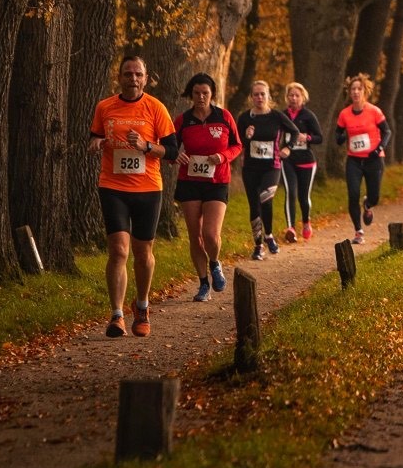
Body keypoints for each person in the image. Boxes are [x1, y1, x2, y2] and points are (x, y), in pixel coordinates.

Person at [88, 53, 177, 338]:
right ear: (120, 77)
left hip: (148, 188)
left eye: (138, 74)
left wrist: (147, 146)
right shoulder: (105, 107)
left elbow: (173, 152)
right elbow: (95, 135)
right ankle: (116, 315)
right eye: (128, 74)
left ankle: (141, 306)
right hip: (113, 186)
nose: (133, 79)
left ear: (146, 78)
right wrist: (97, 142)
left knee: (143, 253)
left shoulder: (156, 108)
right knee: (118, 250)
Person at [172, 73, 241, 302]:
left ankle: (214, 263)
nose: (201, 97)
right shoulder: (183, 120)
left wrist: (223, 156)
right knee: (195, 236)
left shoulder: (224, 117)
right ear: (190, 94)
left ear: (212, 94)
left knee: (210, 235)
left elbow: (237, 145)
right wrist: (176, 156)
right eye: (196, 93)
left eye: (205, 93)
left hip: (217, 182)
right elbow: (169, 147)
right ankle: (203, 284)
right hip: (190, 182)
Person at [236, 81, 298, 261]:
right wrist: (246, 137)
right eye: (256, 94)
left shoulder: (276, 116)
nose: (259, 98)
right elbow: (236, 142)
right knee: (254, 204)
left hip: (272, 166)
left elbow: (294, 132)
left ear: (268, 96)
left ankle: (269, 235)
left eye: (263, 94)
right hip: (250, 167)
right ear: (251, 97)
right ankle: (258, 245)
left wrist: (288, 148)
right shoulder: (245, 118)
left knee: (266, 197)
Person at [335, 74, 389, 244]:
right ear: (349, 92)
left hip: (374, 159)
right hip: (354, 160)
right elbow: (338, 135)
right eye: (353, 89)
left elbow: (387, 132)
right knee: (353, 194)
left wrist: (379, 148)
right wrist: (341, 137)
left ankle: (367, 204)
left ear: (364, 91)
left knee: (374, 196)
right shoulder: (344, 114)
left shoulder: (374, 111)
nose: (356, 92)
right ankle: (358, 231)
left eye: (359, 89)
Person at [281, 81, 323, 242]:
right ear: (287, 97)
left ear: (303, 98)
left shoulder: (308, 116)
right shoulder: (282, 115)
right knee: (290, 192)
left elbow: (320, 137)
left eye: (297, 95)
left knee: (303, 196)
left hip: (306, 161)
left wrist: (308, 137)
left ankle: (306, 221)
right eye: (291, 95)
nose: (293, 98)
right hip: (288, 159)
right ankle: (291, 227)